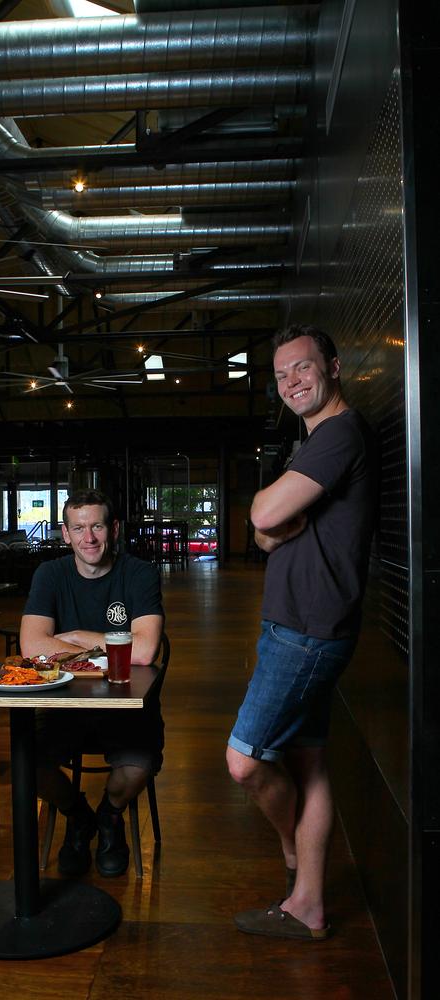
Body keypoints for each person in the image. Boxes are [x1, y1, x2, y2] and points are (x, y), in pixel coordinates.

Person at [226, 325, 378, 941]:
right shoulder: (314, 441)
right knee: (310, 766)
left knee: (244, 760)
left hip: (308, 632)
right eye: (282, 373)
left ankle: (292, 847)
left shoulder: (338, 434)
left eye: (303, 367)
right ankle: (309, 902)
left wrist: (273, 517)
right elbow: (264, 536)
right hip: (297, 624)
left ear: (333, 368)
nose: (292, 381)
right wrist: (273, 520)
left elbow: (262, 516)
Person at [20, 489, 164, 878]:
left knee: (138, 767)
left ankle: (109, 816)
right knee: (27, 764)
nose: (89, 538)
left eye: (97, 526)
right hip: (63, 706)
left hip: (127, 707)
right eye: (79, 528)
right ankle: (78, 815)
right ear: (65, 534)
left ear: (113, 529)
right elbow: (32, 646)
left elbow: (146, 650)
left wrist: (79, 638)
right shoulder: (50, 575)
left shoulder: (138, 573)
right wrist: (112, 646)